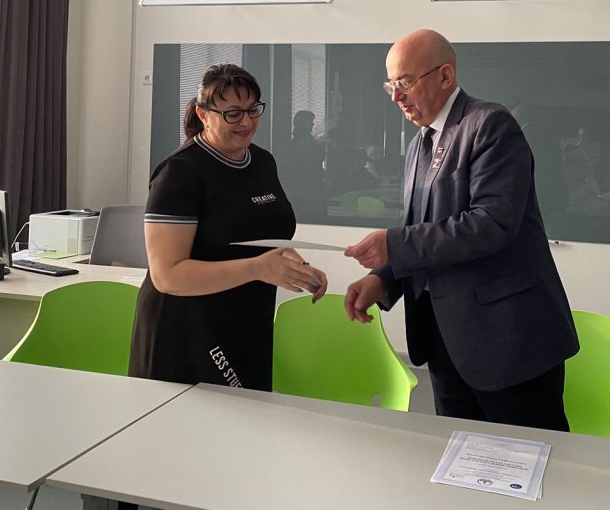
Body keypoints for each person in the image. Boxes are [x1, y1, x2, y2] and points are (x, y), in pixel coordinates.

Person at [343, 29, 578, 430]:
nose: (396, 96)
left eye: (405, 83)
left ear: (446, 76)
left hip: (507, 339)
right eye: (390, 85)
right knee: (460, 454)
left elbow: (491, 223)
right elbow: (424, 230)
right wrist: (385, 278)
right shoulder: (418, 144)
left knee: (528, 457)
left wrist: (394, 246)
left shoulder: (490, 125)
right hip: (445, 339)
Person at [129, 63, 327, 392]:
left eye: (252, 110)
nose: (246, 122)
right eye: (232, 114)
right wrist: (259, 268)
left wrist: (292, 264)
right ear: (203, 114)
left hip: (246, 318)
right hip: (186, 327)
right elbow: (167, 275)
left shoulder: (262, 162)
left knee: (246, 415)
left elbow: (256, 234)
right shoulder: (180, 173)